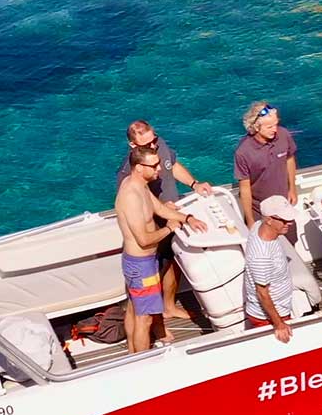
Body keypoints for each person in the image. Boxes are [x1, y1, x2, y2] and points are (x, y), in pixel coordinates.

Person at [116, 120, 212, 320]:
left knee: (172, 262)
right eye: (147, 145)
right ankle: (154, 320)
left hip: (171, 218)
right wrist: (161, 210)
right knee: (154, 274)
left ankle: (169, 306)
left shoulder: (159, 146)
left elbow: (172, 165)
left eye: (154, 140)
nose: (153, 146)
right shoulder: (128, 174)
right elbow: (134, 206)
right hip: (153, 229)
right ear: (133, 146)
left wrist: (194, 184)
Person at [234, 102, 299, 244]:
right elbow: (244, 188)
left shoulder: (284, 135)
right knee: (264, 246)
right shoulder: (243, 152)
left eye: (276, 124)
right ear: (256, 127)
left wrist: (292, 189)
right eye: (269, 127)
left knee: (290, 243)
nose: (275, 130)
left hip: (284, 204)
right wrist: (250, 220)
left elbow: (290, 159)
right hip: (260, 210)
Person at [243, 195, 297, 343]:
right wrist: (279, 324)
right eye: (284, 220)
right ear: (269, 220)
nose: (289, 223)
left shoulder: (257, 226)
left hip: (281, 306)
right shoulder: (261, 256)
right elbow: (262, 294)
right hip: (269, 317)